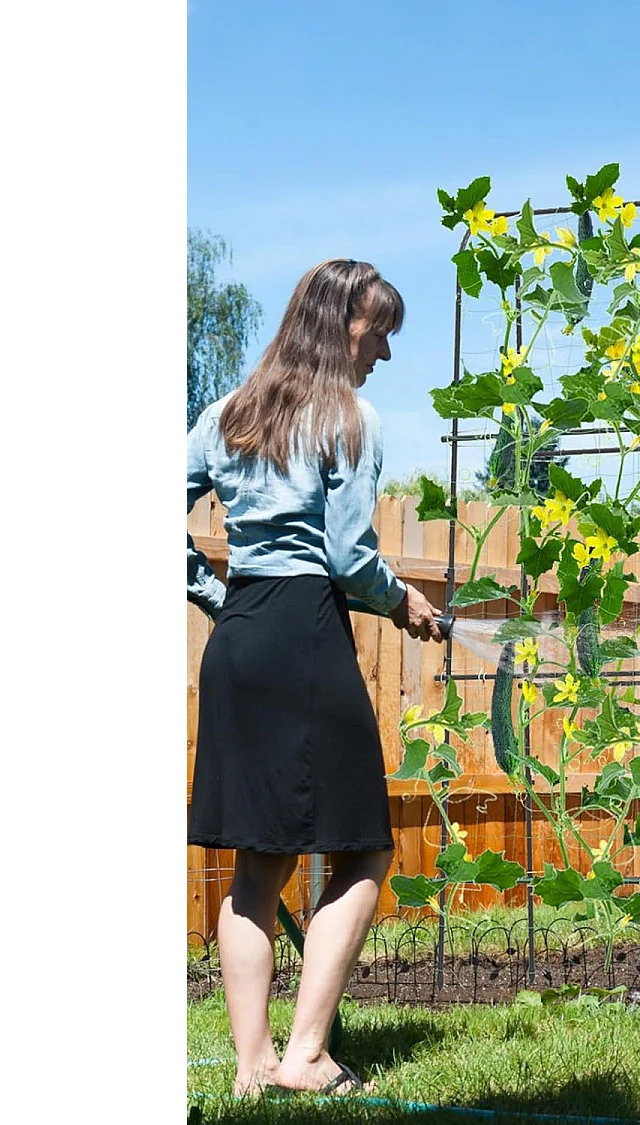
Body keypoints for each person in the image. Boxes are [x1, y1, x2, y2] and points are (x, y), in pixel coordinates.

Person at [186, 258, 444, 1097]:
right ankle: (305, 1052)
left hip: (240, 636)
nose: (386, 355)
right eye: (381, 334)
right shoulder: (349, 418)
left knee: (258, 864)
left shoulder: (225, 413)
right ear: (341, 325)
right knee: (364, 847)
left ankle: (250, 1066)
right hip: (304, 634)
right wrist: (403, 601)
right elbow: (346, 558)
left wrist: (215, 596)